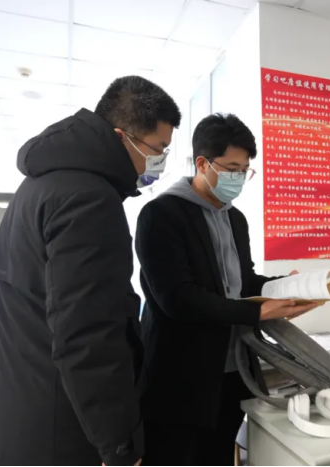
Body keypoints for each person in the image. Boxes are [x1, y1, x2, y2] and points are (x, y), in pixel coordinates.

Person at [0, 76, 181, 466]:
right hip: (65, 425)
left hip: (21, 407)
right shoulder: (89, 199)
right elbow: (88, 334)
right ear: (123, 137)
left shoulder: (40, 184)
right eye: (158, 149)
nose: (159, 161)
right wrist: (119, 443)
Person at [135, 113, 317, 466]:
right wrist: (256, 311)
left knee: (218, 456)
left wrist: (286, 287)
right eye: (232, 168)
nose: (239, 178)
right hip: (181, 376)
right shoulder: (161, 215)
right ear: (202, 163)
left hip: (234, 370)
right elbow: (178, 299)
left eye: (245, 170)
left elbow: (243, 281)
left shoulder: (234, 218)